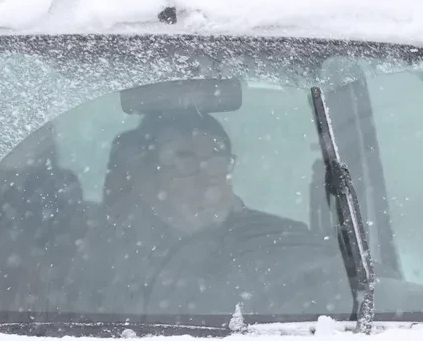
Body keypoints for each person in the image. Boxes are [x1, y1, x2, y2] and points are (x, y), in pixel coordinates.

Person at [77, 110, 340, 319]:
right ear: (148, 178)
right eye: (184, 162)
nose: (208, 176)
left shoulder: (285, 242)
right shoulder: (109, 257)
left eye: (217, 159)